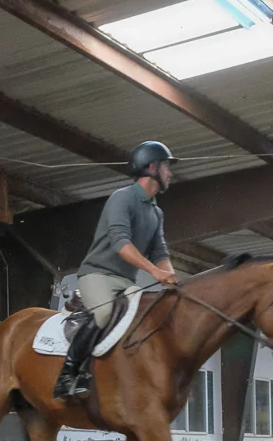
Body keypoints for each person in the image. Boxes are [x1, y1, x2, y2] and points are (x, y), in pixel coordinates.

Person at [52, 141, 180, 402]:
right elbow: (121, 244)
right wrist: (155, 272)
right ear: (152, 167)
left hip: (125, 281)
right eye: (167, 166)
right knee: (103, 312)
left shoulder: (156, 212)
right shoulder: (122, 198)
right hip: (96, 275)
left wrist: (171, 277)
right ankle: (67, 376)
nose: (170, 172)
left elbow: (160, 251)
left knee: (146, 314)